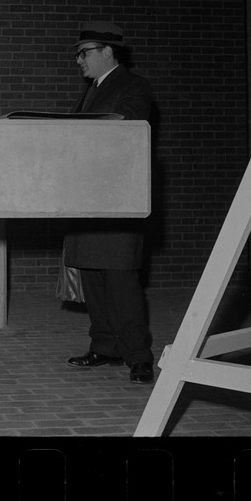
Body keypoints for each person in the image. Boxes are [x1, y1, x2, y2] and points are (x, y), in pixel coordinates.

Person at [63, 21, 156, 384]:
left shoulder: (133, 86)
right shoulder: (91, 90)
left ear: (107, 52)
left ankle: (138, 357)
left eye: (84, 53)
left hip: (116, 198)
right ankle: (104, 346)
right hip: (89, 197)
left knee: (120, 280)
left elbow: (130, 125)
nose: (78, 60)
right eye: (77, 54)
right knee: (93, 278)